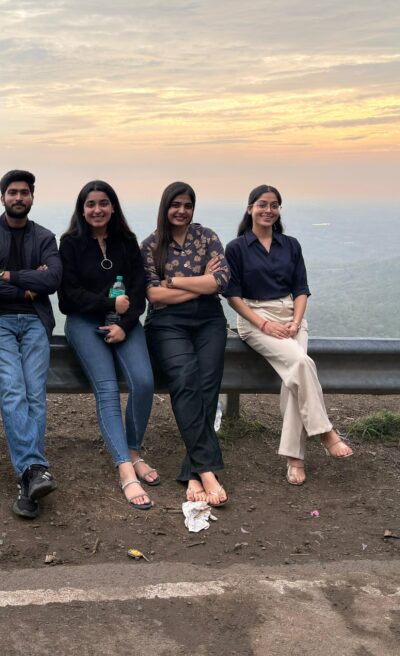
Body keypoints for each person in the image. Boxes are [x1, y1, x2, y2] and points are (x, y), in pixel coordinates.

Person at [224, 185, 353, 486]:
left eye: (275, 205)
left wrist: (296, 321)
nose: (268, 210)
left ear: (279, 211)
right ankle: (325, 432)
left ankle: (295, 459)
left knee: (294, 379)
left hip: (292, 318)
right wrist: (265, 325)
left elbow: (301, 289)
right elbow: (233, 296)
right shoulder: (237, 248)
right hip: (256, 320)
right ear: (250, 208)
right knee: (302, 364)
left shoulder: (290, 245)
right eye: (262, 204)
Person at [0, 170, 63, 519]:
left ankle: (30, 475)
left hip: (35, 320)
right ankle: (34, 468)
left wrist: (6, 274)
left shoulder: (46, 237)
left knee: (34, 392)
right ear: (2, 196)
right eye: (12, 192)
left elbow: (52, 279)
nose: (18, 198)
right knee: (13, 390)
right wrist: (25, 284)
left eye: (24, 193)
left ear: (32, 197)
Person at [58, 180, 157, 510]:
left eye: (103, 203)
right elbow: (67, 297)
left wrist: (124, 326)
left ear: (113, 207)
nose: (97, 209)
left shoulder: (127, 242)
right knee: (107, 390)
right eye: (90, 204)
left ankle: (133, 449)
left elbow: (139, 291)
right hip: (84, 322)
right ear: (82, 209)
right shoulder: (70, 243)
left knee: (143, 382)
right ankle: (125, 467)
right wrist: (108, 305)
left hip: (125, 322)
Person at [142, 182, 231, 505]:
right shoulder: (151, 245)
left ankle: (193, 471)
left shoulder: (206, 237)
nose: (181, 210)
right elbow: (153, 294)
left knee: (208, 384)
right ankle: (207, 470)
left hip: (209, 320)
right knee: (185, 379)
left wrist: (176, 281)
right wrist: (199, 284)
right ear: (165, 207)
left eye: (187, 205)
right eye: (175, 204)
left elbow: (220, 281)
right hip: (167, 323)